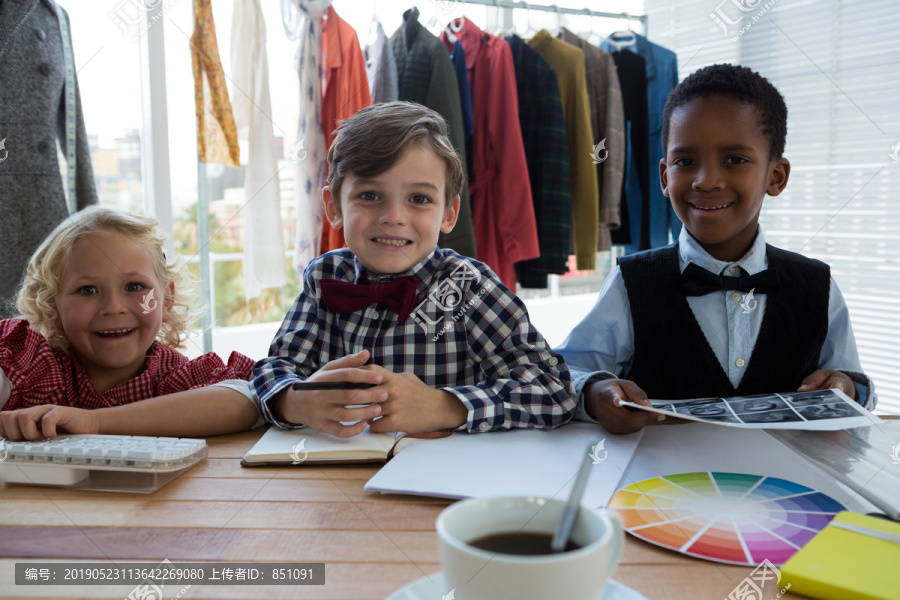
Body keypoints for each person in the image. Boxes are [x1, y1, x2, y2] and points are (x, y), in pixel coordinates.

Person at [557, 64, 875, 435]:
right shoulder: (631, 280)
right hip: (659, 485)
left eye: (735, 160)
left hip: (783, 485)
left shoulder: (816, 284)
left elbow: (851, 384)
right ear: (664, 176)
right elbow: (568, 372)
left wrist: (847, 388)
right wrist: (595, 394)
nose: (706, 181)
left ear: (776, 177)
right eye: (685, 161)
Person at [252, 101, 575, 437]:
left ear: (449, 214)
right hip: (334, 471)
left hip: (443, 477)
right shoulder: (324, 276)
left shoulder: (468, 286)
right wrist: (294, 399)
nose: (393, 216)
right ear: (334, 207)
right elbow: (274, 369)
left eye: (419, 199)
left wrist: (445, 406)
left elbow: (555, 389)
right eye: (370, 194)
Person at [0, 207, 260, 440]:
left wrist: (94, 422)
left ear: (167, 299)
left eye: (134, 287)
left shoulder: (173, 379)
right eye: (88, 290)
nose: (113, 307)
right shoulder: (31, 368)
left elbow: (245, 400)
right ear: (53, 308)